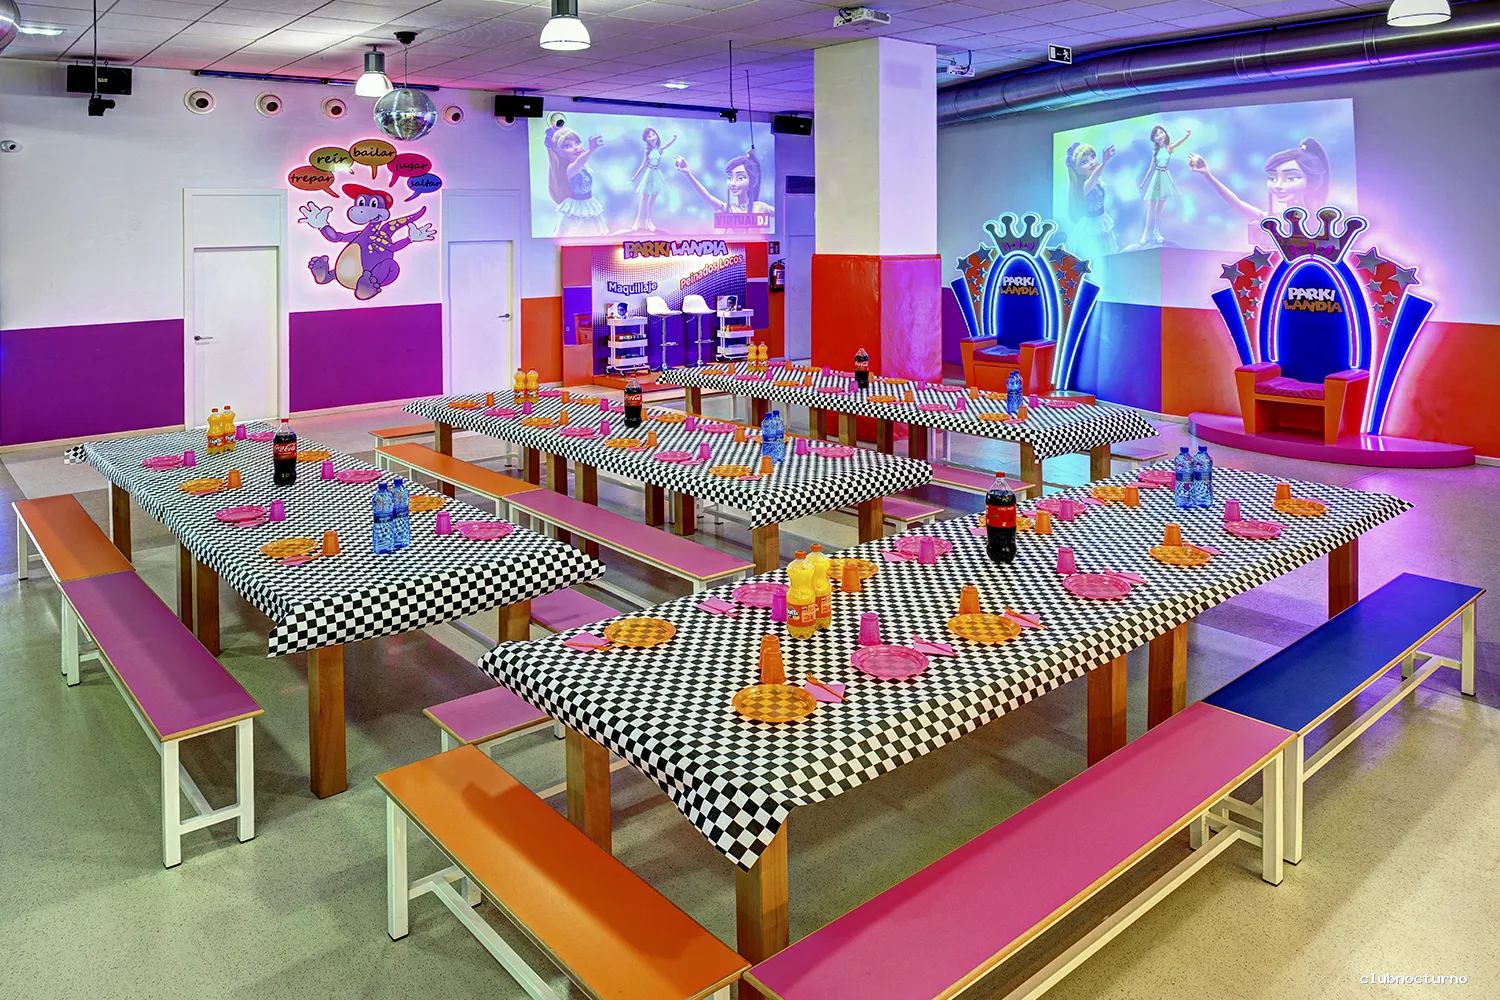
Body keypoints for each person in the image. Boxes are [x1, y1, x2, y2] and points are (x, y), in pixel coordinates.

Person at [298, 184, 435, 300]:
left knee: (391, 265)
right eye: (361, 202)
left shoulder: (380, 238)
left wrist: (410, 239)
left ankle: (367, 285)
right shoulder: (360, 235)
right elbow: (337, 237)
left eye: (373, 204)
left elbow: (393, 247)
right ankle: (328, 276)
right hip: (343, 273)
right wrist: (322, 225)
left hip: (367, 275)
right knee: (378, 264)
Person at [1188, 137, 1332, 241]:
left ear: (1313, 181)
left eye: (1291, 178)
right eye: (1272, 178)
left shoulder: (1326, 220)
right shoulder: (1276, 218)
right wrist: (1207, 175)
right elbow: (1238, 205)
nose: (1278, 185)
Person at [675, 148, 774, 231]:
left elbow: (782, 215)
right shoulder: (729, 209)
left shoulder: (761, 207)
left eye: (740, 178)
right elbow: (708, 198)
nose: (733, 183)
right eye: (730, 178)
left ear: (752, 180)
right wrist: (688, 174)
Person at [545, 125, 607, 237]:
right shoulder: (571, 168)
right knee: (576, 232)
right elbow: (579, 162)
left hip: (588, 202)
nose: (576, 148)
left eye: (577, 143)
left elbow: (582, 162)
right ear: (558, 152)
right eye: (567, 146)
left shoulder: (584, 166)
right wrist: (591, 150)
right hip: (577, 206)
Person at [1136, 124, 1191, 247]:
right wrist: (1143, 183)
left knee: (1160, 208)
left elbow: (1178, 143)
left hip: (1165, 177)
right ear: (1154, 139)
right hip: (1157, 177)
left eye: (1161, 133)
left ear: (1165, 133)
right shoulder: (1155, 152)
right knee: (1152, 206)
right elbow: (1151, 168)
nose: (1160, 136)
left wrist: (1186, 136)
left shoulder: (1168, 148)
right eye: (1157, 135)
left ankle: (1156, 231)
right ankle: (1145, 232)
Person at [1065, 141, 1118, 255]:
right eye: (1084, 162)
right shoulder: (1086, 185)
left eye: (1093, 157)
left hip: (1101, 218)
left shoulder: (1098, 180)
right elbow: (1095, 176)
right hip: (1091, 223)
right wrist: (1104, 162)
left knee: (1106, 248)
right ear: (1077, 170)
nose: (1092, 163)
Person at [628, 128, 678, 233]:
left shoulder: (659, 149)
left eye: (653, 135)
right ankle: (638, 221)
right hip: (649, 174)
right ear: (646, 139)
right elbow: (643, 165)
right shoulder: (647, 151)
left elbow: (666, 145)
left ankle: (649, 220)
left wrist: (673, 140)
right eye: (649, 136)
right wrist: (635, 177)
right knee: (644, 198)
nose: (652, 138)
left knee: (653, 199)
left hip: (656, 174)